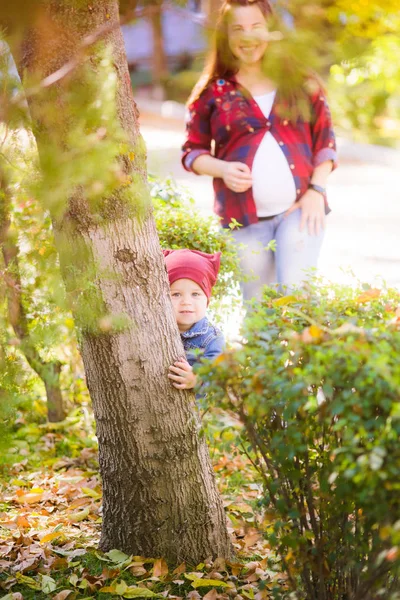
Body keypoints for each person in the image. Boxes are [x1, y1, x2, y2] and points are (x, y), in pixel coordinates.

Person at [181, 0, 338, 300]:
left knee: (296, 297)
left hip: (302, 211)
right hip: (243, 221)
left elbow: (326, 142)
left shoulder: (300, 83)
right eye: (237, 29)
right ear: (225, 37)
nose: (247, 37)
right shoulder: (212, 93)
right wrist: (223, 169)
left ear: (272, 32)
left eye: (256, 27)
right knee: (258, 313)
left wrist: (317, 190)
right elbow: (192, 152)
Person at [163, 249, 225, 390]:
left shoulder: (212, 338)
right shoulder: (152, 329)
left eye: (195, 294)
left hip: (195, 409)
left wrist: (197, 380)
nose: (186, 302)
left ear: (207, 300)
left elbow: (218, 376)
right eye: (176, 294)